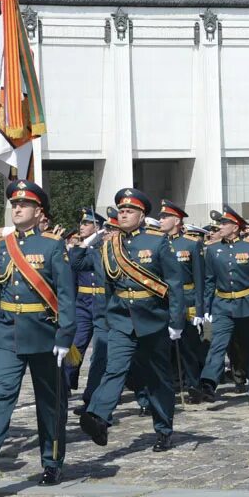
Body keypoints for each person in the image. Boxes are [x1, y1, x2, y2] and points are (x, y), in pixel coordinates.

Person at [0, 179, 72, 484]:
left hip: (44, 333)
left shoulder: (52, 245)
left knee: (49, 401)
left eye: (25, 205)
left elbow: (65, 295)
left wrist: (65, 336)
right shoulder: (0, 245)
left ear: (40, 212)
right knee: (1, 393)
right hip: (8, 331)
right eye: (15, 204)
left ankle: (52, 461)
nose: (18, 208)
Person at [79, 187, 184, 450]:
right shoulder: (109, 245)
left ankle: (163, 428)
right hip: (121, 318)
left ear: (142, 215)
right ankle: (98, 418)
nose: (124, 215)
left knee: (158, 377)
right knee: (114, 369)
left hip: (153, 319)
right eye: (121, 211)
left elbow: (175, 284)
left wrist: (176, 322)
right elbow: (103, 284)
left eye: (130, 211)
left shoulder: (157, 241)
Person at [199, 205, 249, 405]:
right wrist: (207, 308)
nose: (220, 226)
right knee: (217, 345)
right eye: (220, 223)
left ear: (236, 227)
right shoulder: (213, 250)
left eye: (224, 223)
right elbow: (210, 281)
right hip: (222, 305)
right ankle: (208, 383)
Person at [158, 200, 205, 403]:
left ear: (176, 220)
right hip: (163, 300)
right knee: (164, 348)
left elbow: (199, 279)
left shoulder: (190, 244)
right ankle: (172, 384)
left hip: (187, 301)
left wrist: (200, 309)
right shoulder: (157, 243)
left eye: (164, 217)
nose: (160, 220)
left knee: (188, 347)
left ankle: (194, 385)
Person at [64, 208, 106, 396]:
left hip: (102, 303)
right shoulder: (78, 249)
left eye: (87, 223)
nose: (82, 226)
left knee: (100, 350)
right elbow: (72, 278)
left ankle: (93, 395)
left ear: (98, 227)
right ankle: (65, 385)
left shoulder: (103, 247)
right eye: (82, 223)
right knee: (76, 345)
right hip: (83, 303)